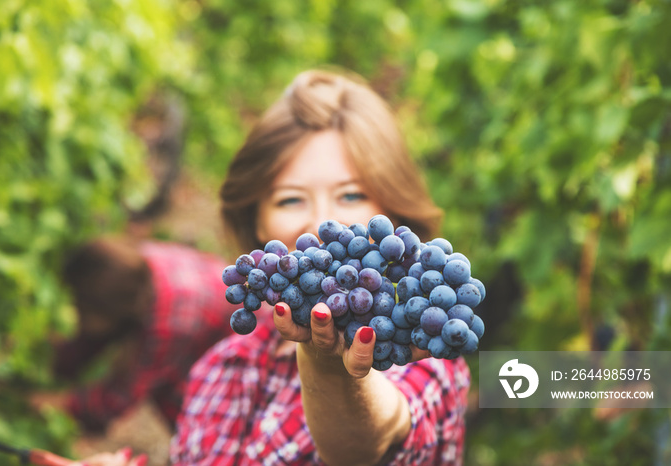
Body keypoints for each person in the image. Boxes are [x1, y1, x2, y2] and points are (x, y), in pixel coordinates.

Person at [77, 68, 471, 465]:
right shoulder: (221, 367)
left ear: (391, 209)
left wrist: (329, 365)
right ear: (257, 219)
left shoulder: (423, 355)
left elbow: (369, 445)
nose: (321, 221)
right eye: (290, 200)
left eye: (351, 195)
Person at [48, 236, 236, 433]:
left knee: (188, 408)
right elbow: (92, 336)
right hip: (209, 307)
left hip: (236, 346)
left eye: (81, 311)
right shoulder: (131, 267)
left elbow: (119, 397)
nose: (78, 319)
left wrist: (60, 403)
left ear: (106, 310)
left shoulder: (167, 325)